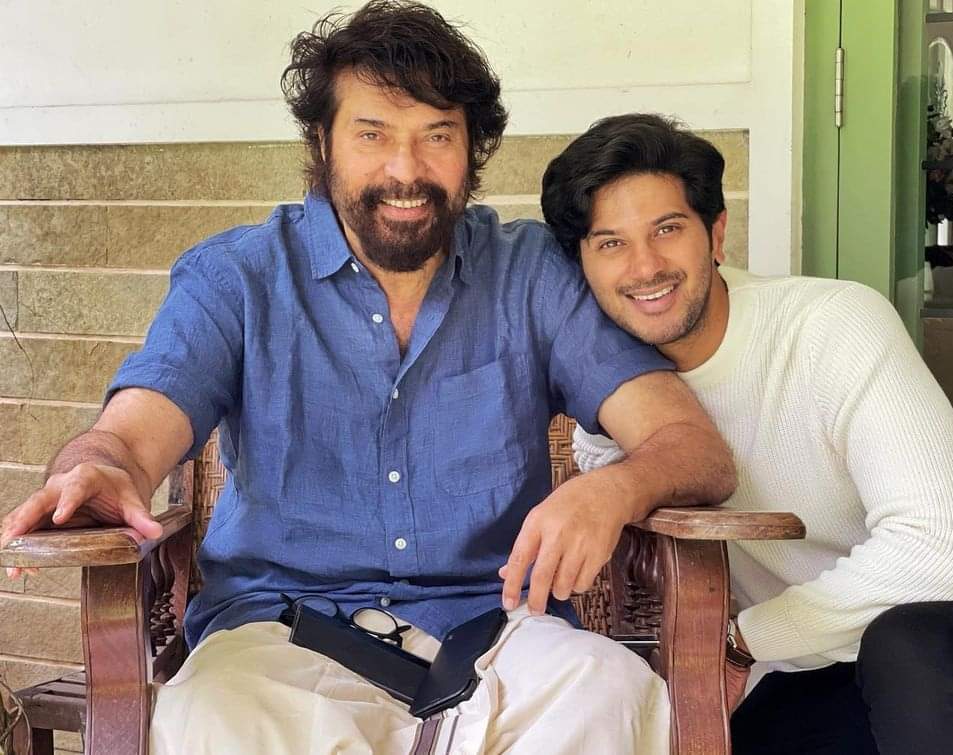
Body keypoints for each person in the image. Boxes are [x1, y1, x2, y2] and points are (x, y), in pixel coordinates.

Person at [0, 8, 737, 754]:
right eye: (372, 134)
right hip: (281, 639)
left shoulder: (531, 273)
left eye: (437, 136)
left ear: (472, 149)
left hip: (499, 631)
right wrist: (99, 465)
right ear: (323, 142)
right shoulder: (236, 280)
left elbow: (691, 445)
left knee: (613, 691)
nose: (406, 170)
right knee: (209, 720)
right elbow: (130, 435)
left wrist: (615, 488)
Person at [540, 112, 953, 755]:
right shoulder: (617, 386)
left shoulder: (832, 325)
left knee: (907, 650)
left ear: (716, 233)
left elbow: (940, 552)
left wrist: (745, 640)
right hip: (809, 667)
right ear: (583, 265)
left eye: (668, 229)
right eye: (610, 243)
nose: (645, 266)